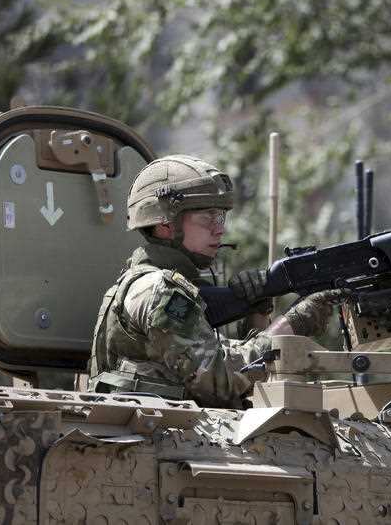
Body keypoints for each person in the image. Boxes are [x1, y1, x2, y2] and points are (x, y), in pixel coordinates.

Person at [88, 154, 343, 407]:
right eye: (206, 218)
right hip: (156, 438)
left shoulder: (157, 282)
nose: (219, 229)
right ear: (165, 223)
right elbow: (219, 383)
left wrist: (257, 309)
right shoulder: (159, 292)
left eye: (220, 217)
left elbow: (223, 362)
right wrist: (291, 325)